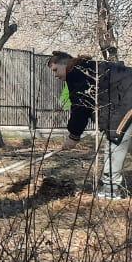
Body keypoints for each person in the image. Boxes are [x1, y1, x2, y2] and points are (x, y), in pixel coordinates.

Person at [48, 50, 132, 198]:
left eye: (55, 70)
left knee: (115, 141)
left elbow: (81, 107)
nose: (55, 75)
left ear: (64, 64)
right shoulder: (88, 68)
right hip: (124, 102)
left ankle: (110, 190)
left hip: (126, 104)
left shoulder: (77, 73)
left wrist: (74, 136)